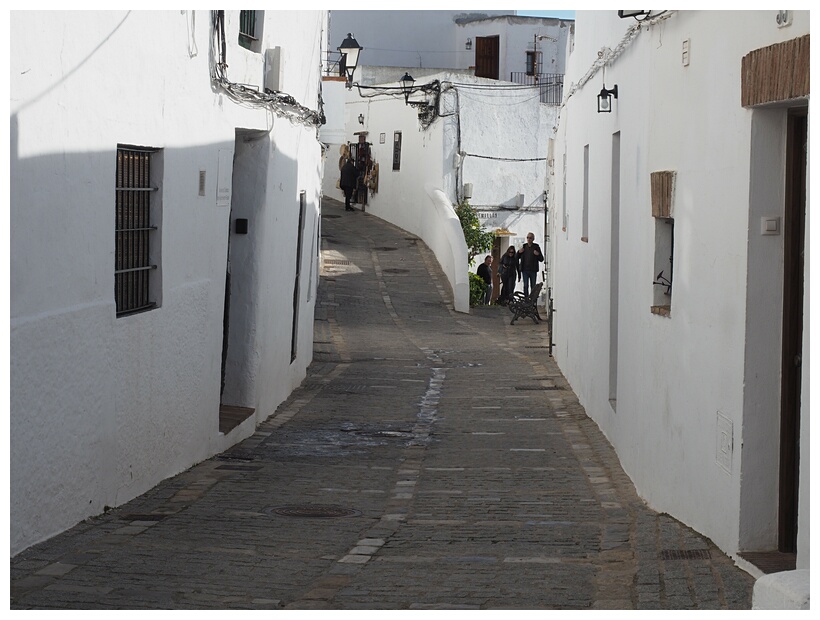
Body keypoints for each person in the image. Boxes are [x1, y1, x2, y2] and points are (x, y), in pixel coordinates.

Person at [517, 232, 544, 297]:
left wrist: (538, 254)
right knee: (525, 285)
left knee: (533, 286)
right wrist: (518, 252)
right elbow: (517, 257)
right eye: (527, 237)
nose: (529, 239)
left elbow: (541, 259)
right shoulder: (524, 246)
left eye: (530, 238)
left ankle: (532, 299)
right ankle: (526, 298)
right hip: (525, 270)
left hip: (533, 270)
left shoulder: (536, 247)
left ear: (533, 239)